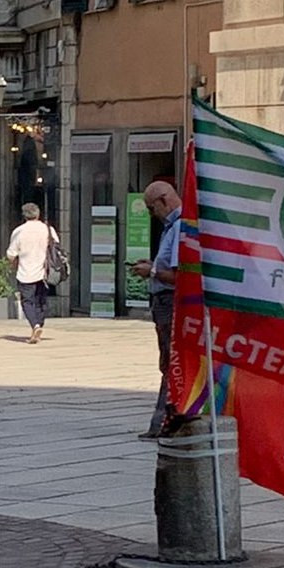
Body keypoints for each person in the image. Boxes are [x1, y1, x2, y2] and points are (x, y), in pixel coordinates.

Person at [130, 181, 183, 439]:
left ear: (164, 200)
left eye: (152, 209)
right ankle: (167, 420)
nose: (153, 215)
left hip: (169, 302)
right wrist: (152, 266)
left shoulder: (181, 227)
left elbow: (179, 275)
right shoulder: (172, 227)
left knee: (171, 362)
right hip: (164, 302)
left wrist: (151, 272)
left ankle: (165, 421)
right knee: (170, 362)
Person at [6, 203, 57, 347]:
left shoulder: (19, 231)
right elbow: (56, 246)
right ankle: (39, 325)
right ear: (38, 214)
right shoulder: (48, 229)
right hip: (45, 272)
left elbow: (11, 254)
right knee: (41, 301)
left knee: (27, 302)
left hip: (25, 272)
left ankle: (35, 326)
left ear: (24, 215)